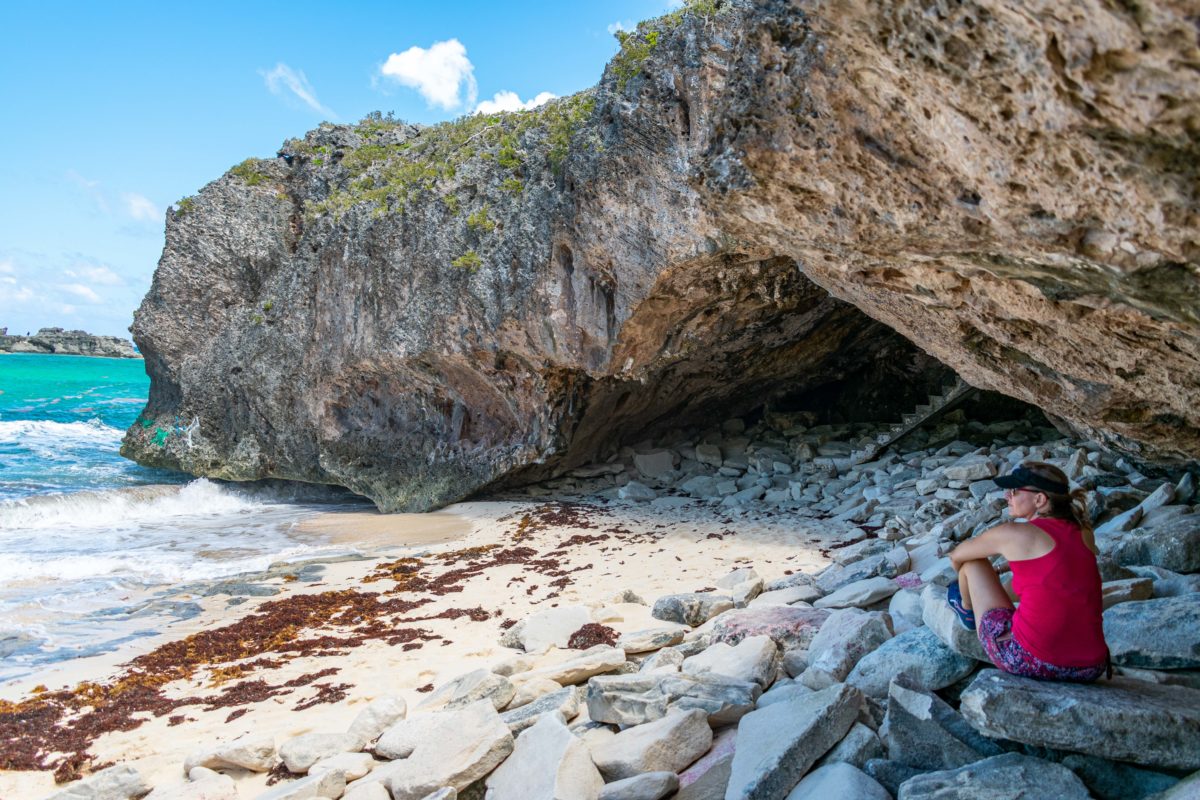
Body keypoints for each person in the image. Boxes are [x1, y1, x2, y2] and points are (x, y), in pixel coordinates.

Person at [947, 461, 1110, 682]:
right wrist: (1006, 569)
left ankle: (966, 609)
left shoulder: (1013, 533)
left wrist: (972, 584)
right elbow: (1051, 579)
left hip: (1031, 660)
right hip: (1091, 667)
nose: (1007, 496)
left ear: (1040, 499)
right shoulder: (1084, 532)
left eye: (1014, 491)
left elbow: (957, 556)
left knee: (973, 564)